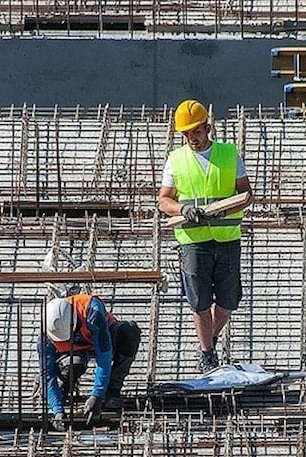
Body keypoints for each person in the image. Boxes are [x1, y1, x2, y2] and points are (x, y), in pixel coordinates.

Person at [157, 99, 253, 373]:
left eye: (196, 132)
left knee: (227, 301)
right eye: (186, 134)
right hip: (192, 240)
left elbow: (246, 195)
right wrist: (183, 209)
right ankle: (207, 352)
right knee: (199, 301)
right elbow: (163, 201)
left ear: (207, 128)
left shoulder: (228, 154)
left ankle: (208, 336)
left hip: (226, 237)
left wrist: (227, 208)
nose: (191, 138)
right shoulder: (175, 160)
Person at [37, 294, 141, 431]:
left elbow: (104, 358)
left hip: (101, 338)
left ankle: (112, 391)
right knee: (74, 365)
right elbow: (47, 375)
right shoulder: (47, 334)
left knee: (129, 333)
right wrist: (57, 410)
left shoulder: (92, 311)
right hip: (73, 353)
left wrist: (97, 394)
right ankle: (60, 392)